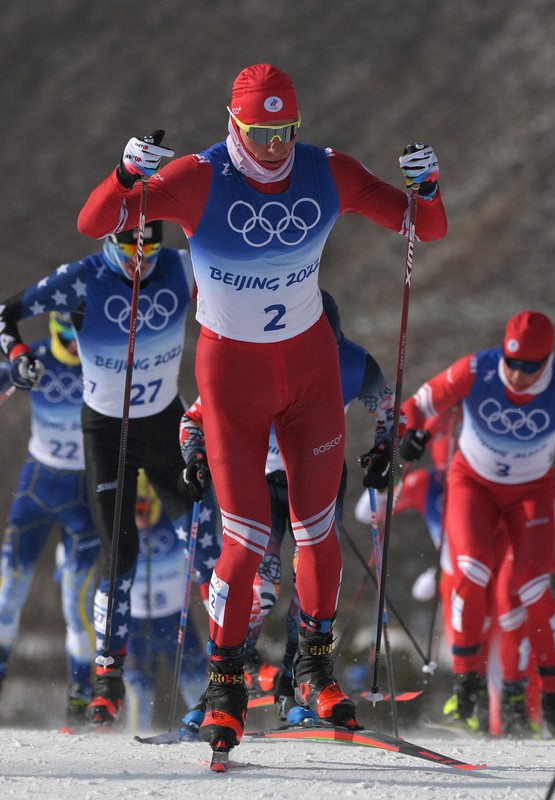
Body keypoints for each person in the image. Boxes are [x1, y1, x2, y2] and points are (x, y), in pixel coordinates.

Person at [76, 62, 448, 750]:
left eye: (285, 130)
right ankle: (226, 684)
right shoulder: (197, 178)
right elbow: (94, 219)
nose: (273, 145)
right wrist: (127, 176)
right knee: (244, 539)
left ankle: (314, 667)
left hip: (309, 371)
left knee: (318, 530)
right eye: (259, 131)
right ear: (232, 123)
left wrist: (425, 187)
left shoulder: (326, 170)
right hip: (232, 378)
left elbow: (425, 226)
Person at [0, 222, 214, 726]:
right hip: (93, 444)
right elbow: (8, 311)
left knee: (203, 539)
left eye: (149, 255)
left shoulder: (181, 267)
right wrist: (15, 356)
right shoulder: (80, 281)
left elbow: (243, 290)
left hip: (161, 424)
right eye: (128, 255)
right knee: (105, 554)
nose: (140, 265)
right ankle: (103, 679)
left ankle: (229, 675)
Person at [399, 310, 555, 737]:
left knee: (533, 585)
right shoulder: (476, 368)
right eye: (512, 362)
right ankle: (466, 682)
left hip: (530, 494)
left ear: (547, 360)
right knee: (472, 568)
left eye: (530, 367)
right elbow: (417, 404)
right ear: (503, 351)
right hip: (473, 485)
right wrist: (406, 433)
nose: (518, 375)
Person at [178, 290, 397, 727]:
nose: (320, 358)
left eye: (329, 347)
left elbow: (390, 409)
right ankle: (229, 676)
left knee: (311, 578)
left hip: (316, 471)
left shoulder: (354, 362)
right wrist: (196, 458)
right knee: (260, 585)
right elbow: (194, 418)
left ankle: (304, 679)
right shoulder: (263, 357)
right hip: (258, 477)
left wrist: (384, 449)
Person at [0, 313, 100, 723]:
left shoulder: (101, 360)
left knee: (76, 602)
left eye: (81, 339)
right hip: (36, 486)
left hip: (83, 494)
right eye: (68, 340)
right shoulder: (36, 359)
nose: (76, 349)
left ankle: (82, 695)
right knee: (8, 594)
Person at [124, 470, 216, 731]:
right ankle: (134, 738)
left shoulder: (169, 515)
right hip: (135, 619)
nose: (140, 516)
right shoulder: (120, 521)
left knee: (195, 677)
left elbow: (202, 542)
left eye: (144, 508)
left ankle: (207, 726)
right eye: (135, 508)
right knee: (138, 685)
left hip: (175, 615)